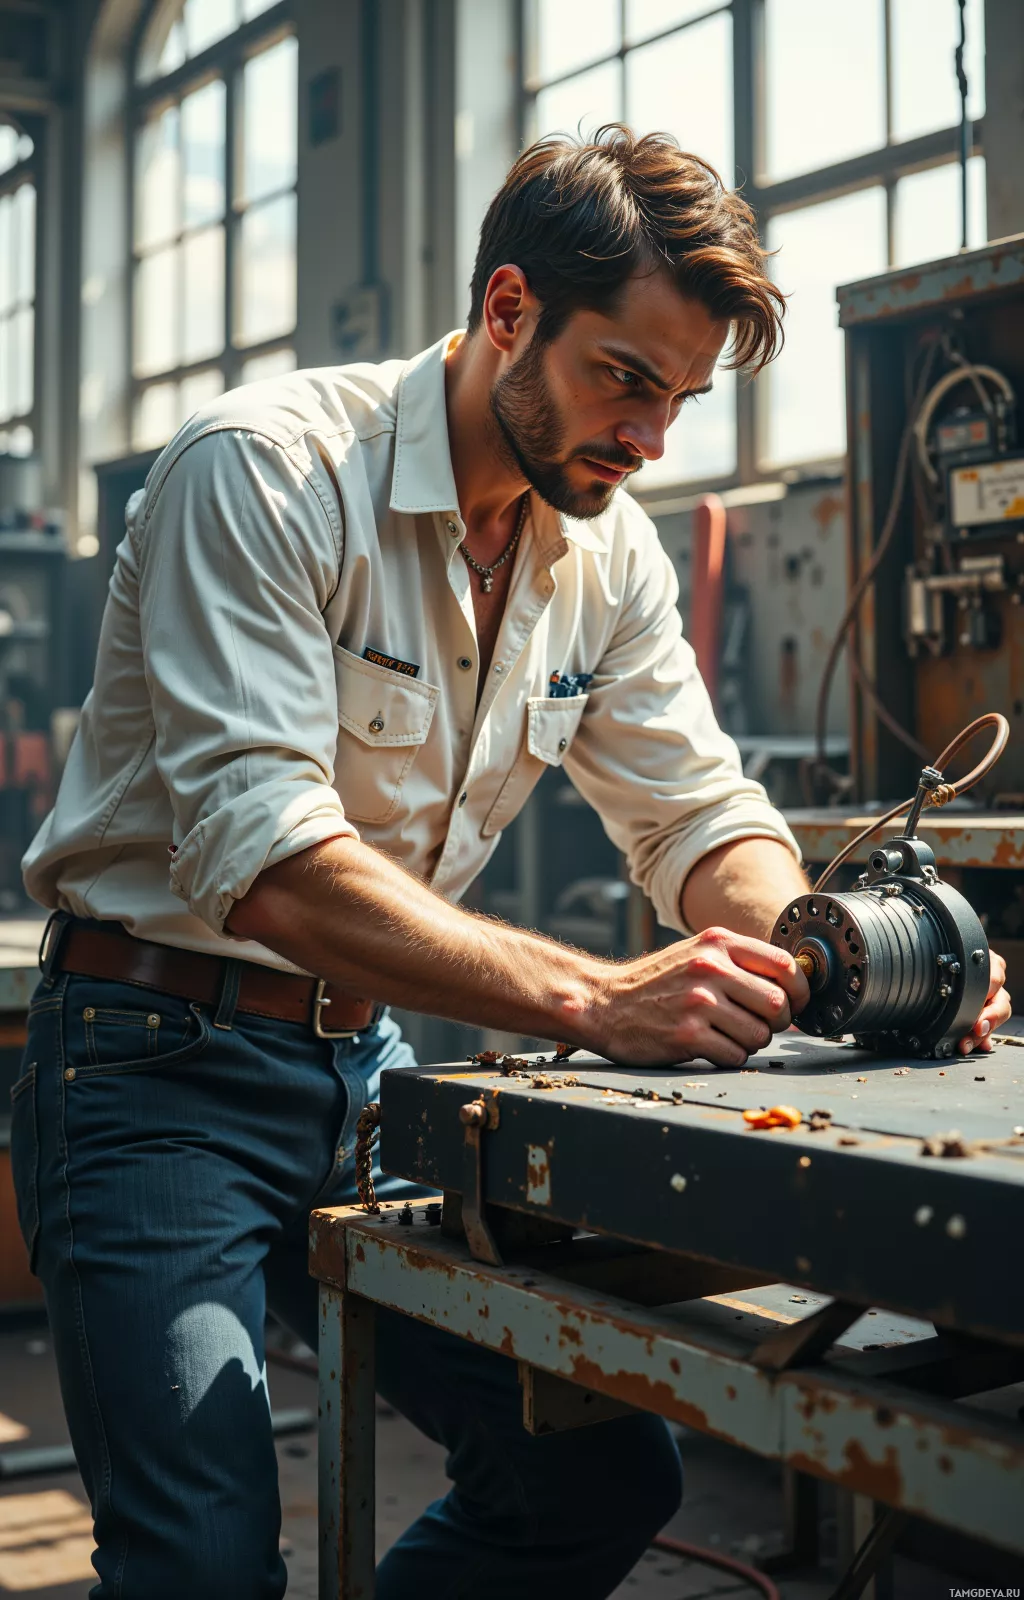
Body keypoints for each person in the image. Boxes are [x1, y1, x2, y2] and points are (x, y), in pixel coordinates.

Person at [13, 126, 1009, 1599]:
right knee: (202, 1566)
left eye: (681, 397)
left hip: (364, 1078)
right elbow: (268, 863)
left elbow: (693, 814)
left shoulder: (605, 554)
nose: (652, 436)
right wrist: (600, 1002)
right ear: (507, 310)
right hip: (152, 1072)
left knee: (590, 1476)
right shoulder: (266, 475)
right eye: (625, 377)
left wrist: (833, 957)